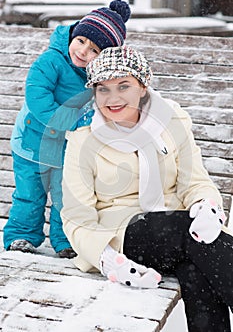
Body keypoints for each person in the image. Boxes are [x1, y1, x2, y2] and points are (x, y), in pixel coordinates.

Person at [61, 45, 233, 331]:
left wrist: (206, 208)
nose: (112, 98)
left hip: (179, 231)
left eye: (123, 86)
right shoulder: (83, 141)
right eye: (103, 89)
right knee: (192, 236)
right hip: (124, 235)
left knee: (198, 268)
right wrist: (106, 259)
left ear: (143, 86)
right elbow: (76, 215)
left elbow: (195, 180)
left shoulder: (172, 121)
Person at [3, 0, 131, 258]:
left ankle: (66, 240)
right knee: (30, 195)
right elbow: (38, 99)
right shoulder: (51, 61)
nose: (83, 51)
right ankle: (22, 235)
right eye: (81, 41)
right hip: (31, 144)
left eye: (94, 50)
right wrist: (73, 122)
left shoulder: (99, 78)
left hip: (66, 151)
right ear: (73, 34)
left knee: (67, 198)